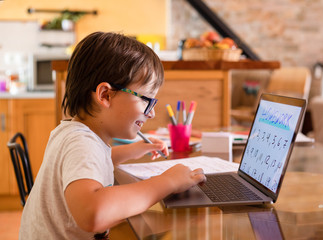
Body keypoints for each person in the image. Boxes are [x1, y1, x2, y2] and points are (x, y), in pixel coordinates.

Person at [19, 31, 206, 239]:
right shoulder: (81, 143)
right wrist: (166, 182)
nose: (151, 112)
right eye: (147, 100)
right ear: (105, 95)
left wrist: (132, 150)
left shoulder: (73, 133)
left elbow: (93, 163)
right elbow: (93, 214)